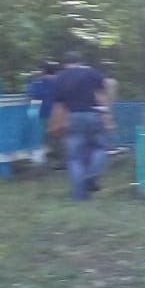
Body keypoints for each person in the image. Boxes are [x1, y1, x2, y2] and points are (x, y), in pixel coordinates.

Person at [49, 51, 112, 201]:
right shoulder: (91, 73)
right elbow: (106, 87)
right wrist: (107, 114)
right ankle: (91, 176)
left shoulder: (60, 78)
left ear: (66, 63)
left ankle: (79, 196)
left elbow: (59, 105)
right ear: (81, 61)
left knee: (74, 158)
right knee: (100, 148)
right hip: (93, 114)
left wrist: (56, 124)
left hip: (73, 117)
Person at [27, 60, 62, 167]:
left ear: (43, 70)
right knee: (61, 135)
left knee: (44, 135)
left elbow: (33, 95)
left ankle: (41, 159)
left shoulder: (39, 81)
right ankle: (61, 158)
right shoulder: (61, 80)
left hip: (45, 111)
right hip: (61, 111)